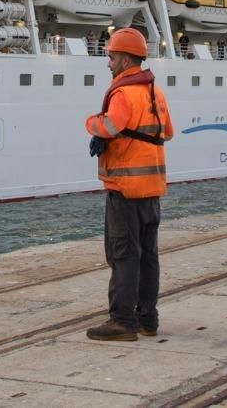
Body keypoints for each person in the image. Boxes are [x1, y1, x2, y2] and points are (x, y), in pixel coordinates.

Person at [83, 26, 174, 341]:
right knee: (148, 255)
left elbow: (110, 125)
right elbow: (168, 131)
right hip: (152, 187)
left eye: (110, 57)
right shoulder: (154, 91)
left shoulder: (123, 92)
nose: (108, 63)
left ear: (123, 59)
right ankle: (148, 318)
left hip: (125, 187)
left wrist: (92, 124)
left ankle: (122, 321)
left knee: (123, 254)